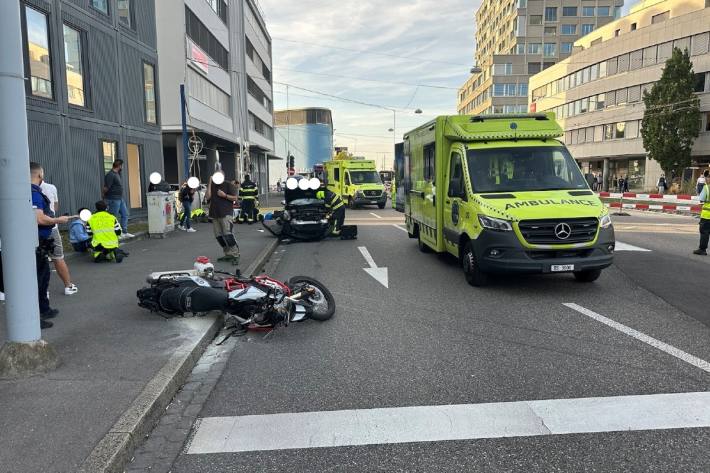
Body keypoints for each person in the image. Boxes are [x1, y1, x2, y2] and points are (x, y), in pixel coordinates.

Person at [30, 162, 70, 328]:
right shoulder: (33, 193)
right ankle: (34, 319)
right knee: (37, 280)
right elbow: (39, 218)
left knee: (44, 275)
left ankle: (44, 309)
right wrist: (57, 220)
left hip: (39, 241)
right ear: (40, 175)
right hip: (36, 241)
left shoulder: (31, 192)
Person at [40, 177, 78, 295]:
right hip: (51, 227)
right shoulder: (51, 188)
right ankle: (68, 286)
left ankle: (42, 290)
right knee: (58, 257)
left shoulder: (24, 189)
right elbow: (55, 207)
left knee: (37, 259)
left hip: (34, 230)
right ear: (40, 174)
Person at [205, 171, 240, 264]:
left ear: (223, 176)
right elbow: (207, 197)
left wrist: (224, 195)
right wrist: (209, 182)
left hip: (226, 213)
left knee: (228, 234)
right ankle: (228, 253)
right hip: (214, 214)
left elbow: (235, 198)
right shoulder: (212, 185)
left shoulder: (228, 185)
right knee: (219, 236)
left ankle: (235, 254)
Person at [103, 159, 134, 239]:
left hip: (119, 198)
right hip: (113, 199)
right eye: (122, 165)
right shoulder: (110, 175)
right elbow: (106, 187)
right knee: (113, 216)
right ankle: (114, 233)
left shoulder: (116, 174)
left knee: (125, 214)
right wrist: (104, 198)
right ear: (119, 166)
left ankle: (124, 232)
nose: (122, 167)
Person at [694, 180, 710, 256]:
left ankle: (702, 249)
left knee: (705, 232)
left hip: (707, 215)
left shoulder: (706, 187)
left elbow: (701, 200)